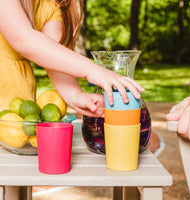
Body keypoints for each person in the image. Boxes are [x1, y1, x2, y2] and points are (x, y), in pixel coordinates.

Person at [0, 0, 144, 118]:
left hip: (14, 114)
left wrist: (76, 96)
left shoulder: (51, 5)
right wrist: (91, 69)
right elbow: (22, 38)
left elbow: (53, 58)